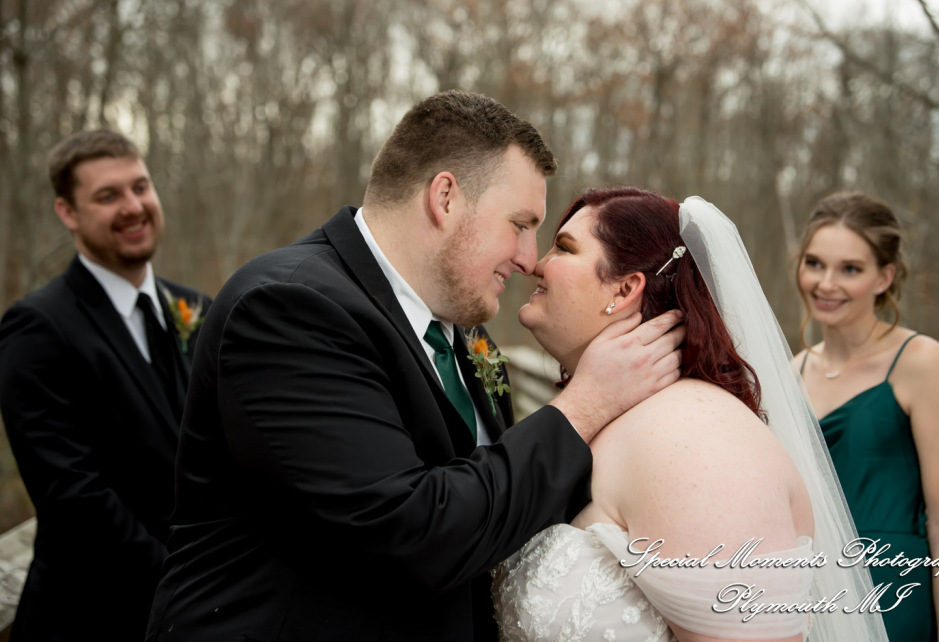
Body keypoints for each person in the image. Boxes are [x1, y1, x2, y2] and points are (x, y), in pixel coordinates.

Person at [145, 91, 684, 641]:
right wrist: (584, 406)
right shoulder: (289, 309)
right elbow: (413, 533)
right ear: (445, 198)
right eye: (520, 224)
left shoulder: (464, 333)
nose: (529, 258)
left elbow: (498, 508)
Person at [493, 188, 888, 642]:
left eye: (563, 248)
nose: (535, 263)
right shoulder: (614, 416)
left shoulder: (699, 439)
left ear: (625, 289)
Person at [0, 130, 211, 641]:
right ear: (67, 212)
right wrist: (184, 586)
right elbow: (72, 497)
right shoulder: (37, 328)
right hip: (91, 616)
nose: (133, 207)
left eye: (140, 187)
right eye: (108, 195)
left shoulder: (195, 309)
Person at [792, 191, 939, 641]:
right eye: (815, 263)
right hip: (811, 597)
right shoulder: (794, 371)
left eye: (850, 269)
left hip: (893, 592)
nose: (826, 283)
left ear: (884, 277)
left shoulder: (921, 362)